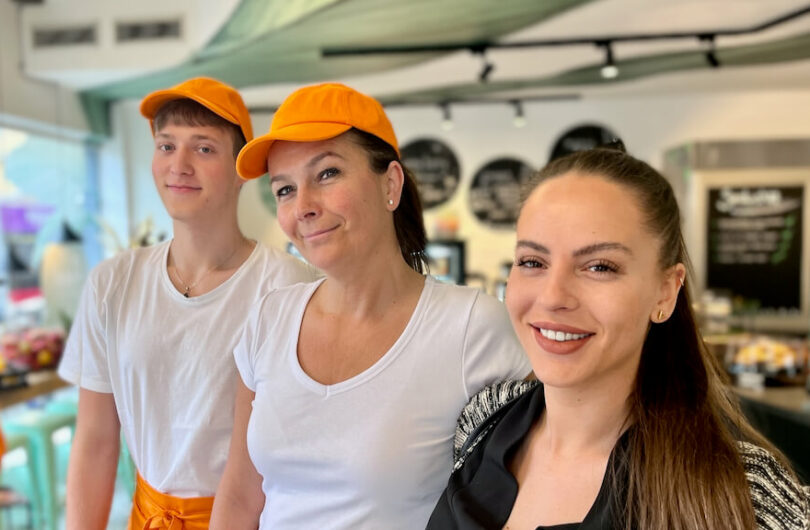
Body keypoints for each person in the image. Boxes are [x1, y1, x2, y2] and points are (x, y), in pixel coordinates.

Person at [427, 146, 810, 530]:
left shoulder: (746, 494)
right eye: (532, 262)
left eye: (599, 266)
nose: (553, 297)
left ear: (665, 291)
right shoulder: (483, 419)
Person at [208, 83, 531, 529]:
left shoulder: (471, 327)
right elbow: (241, 497)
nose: (302, 206)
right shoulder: (269, 320)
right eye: (284, 190)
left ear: (390, 185)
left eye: (327, 174)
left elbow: (536, 484)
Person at [58, 77, 317, 529]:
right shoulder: (113, 283)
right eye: (165, 146)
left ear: (242, 170)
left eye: (203, 148)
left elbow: (303, 445)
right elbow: (97, 440)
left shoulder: (289, 286)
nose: (178, 165)